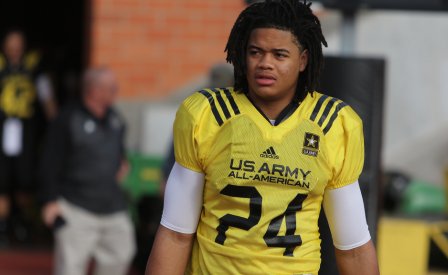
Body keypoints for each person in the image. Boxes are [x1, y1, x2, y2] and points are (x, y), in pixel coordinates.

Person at [146, 0, 379, 274]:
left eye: (279, 54)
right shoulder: (207, 115)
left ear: (303, 60)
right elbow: (175, 233)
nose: (265, 63)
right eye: (256, 52)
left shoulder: (333, 124)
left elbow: (353, 247)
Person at [39, 67, 135, 275]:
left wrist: (123, 163)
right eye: (112, 88)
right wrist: (50, 200)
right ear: (94, 90)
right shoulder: (67, 119)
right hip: (76, 207)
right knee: (71, 267)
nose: (115, 92)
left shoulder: (115, 119)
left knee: (122, 254)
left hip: (112, 207)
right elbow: (50, 162)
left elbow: (120, 152)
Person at [0, 29, 56, 246]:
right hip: (3, 129)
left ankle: (22, 222)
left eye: (18, 44)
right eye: (10, 44)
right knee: (2, 180)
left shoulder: (34, 68)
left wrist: (55, 124)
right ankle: (3, 226)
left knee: (25, 178)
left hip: (26, 130)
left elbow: (47, 98)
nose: (14, 49)